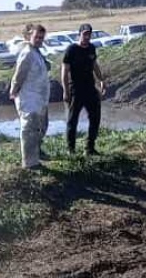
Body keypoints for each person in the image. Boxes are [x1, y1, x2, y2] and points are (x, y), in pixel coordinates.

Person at [8, 23, 51, 170]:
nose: (39, 40)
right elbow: (19, 75)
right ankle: (30, 163)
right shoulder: (27, 53)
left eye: (41, 37)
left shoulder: (36, 52)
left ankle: (37, 152)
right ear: (28, 37)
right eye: (36, 37)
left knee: (41, 127)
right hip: (29, 98)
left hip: (39, 98)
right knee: (29, 129)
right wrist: (14, 91)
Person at [61, 23, 107, 155]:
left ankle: (90, 148)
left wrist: (101, 80)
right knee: (72, 120)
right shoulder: (71, 50)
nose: (87, 37)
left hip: (90, 88)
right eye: (84, 34)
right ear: (79, 34)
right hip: (75, 89)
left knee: (95, 117)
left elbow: (94, 65)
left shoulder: (91, 48)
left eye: (89, 34)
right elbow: (64, 71)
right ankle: (71, 150)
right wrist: (66, 91)